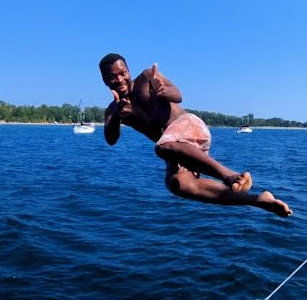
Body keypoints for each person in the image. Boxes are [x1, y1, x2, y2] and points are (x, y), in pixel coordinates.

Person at [99, 53, 292, 217]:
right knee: (178, 185)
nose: (120, 79)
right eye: (112, 77)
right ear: (105, 80)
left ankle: (230, 176)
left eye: (123, 73)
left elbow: (178, 95)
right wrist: (117, 116)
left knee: (163, 146)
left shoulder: (148, 77)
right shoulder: (113, 110)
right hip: (178, 149)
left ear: (128, 71)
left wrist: (163, 91)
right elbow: (111, 139)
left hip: (190, 126)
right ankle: (259, 200)